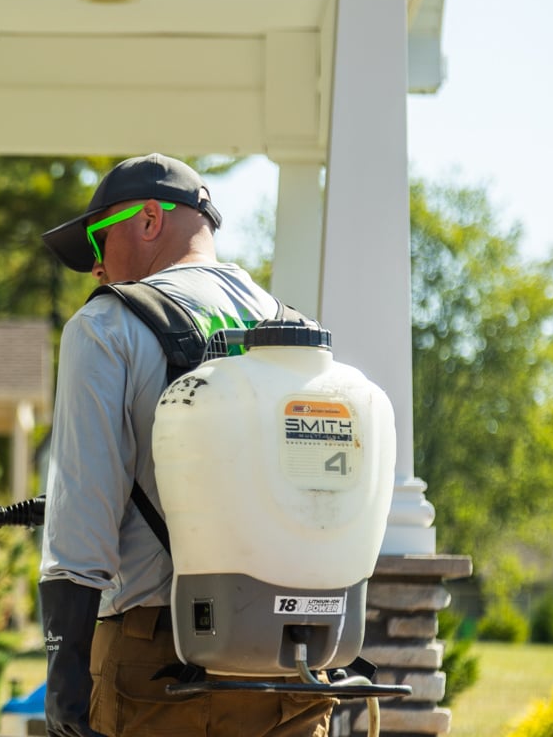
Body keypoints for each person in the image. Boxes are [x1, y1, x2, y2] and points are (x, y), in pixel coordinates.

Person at [37, 154, 335, 737]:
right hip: (292, 666)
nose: (95, 267)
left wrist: (65, 679)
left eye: (98, 240)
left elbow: (82, 520)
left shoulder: (106, 328)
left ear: (150, 219)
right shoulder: (297, 335)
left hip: (159, 668)